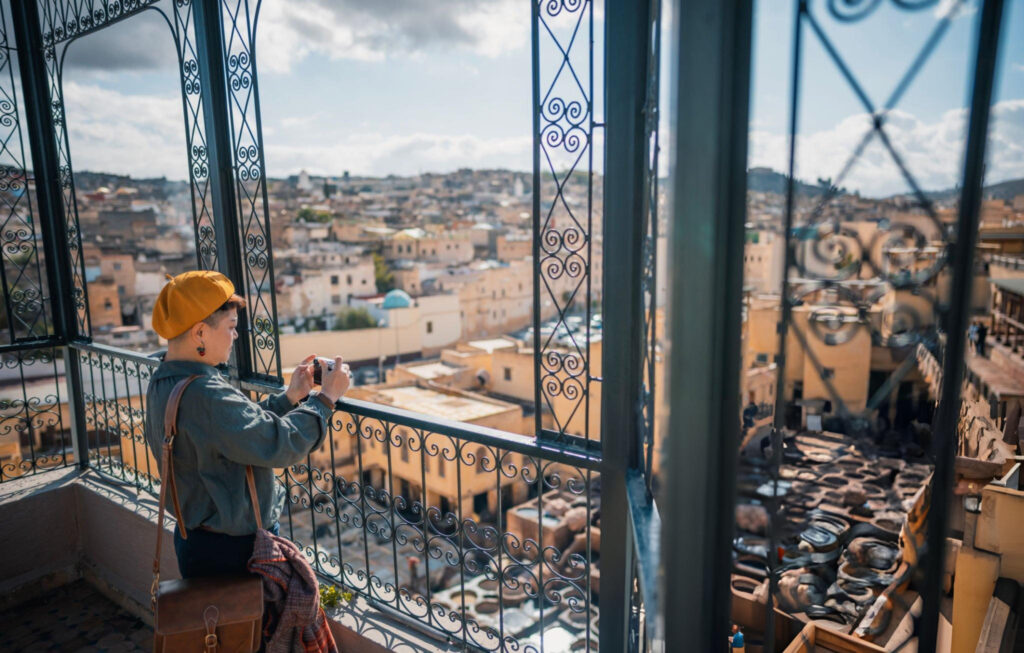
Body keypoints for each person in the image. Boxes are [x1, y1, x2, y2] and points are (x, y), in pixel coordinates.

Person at [144, 270, 351, 579]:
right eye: (231, 327)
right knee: (253, 628)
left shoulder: (166, 381)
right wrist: (326, 400)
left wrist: (290, 397)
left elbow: (235, 431)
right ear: (200, 332)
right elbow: (279, 444)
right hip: (234, 554)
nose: (236, 335)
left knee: (217, 629)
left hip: (196, 542)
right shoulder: (205, 393)